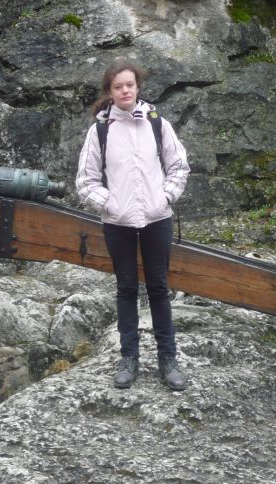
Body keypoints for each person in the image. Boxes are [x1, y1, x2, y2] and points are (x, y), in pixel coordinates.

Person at [75, 60, 190, 391]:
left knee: (158, 288)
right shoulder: (100, 131)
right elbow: (86, 181)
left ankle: (168, 360)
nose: (125, 91)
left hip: (157, 219)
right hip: (118, 223)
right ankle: (129, 359)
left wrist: (164, 198)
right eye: (118, 86)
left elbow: (179, 166)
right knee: (126, 289)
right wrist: (111, 204)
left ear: (137, 87)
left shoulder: (157, 124)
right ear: (110, 92)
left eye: (129, 85)